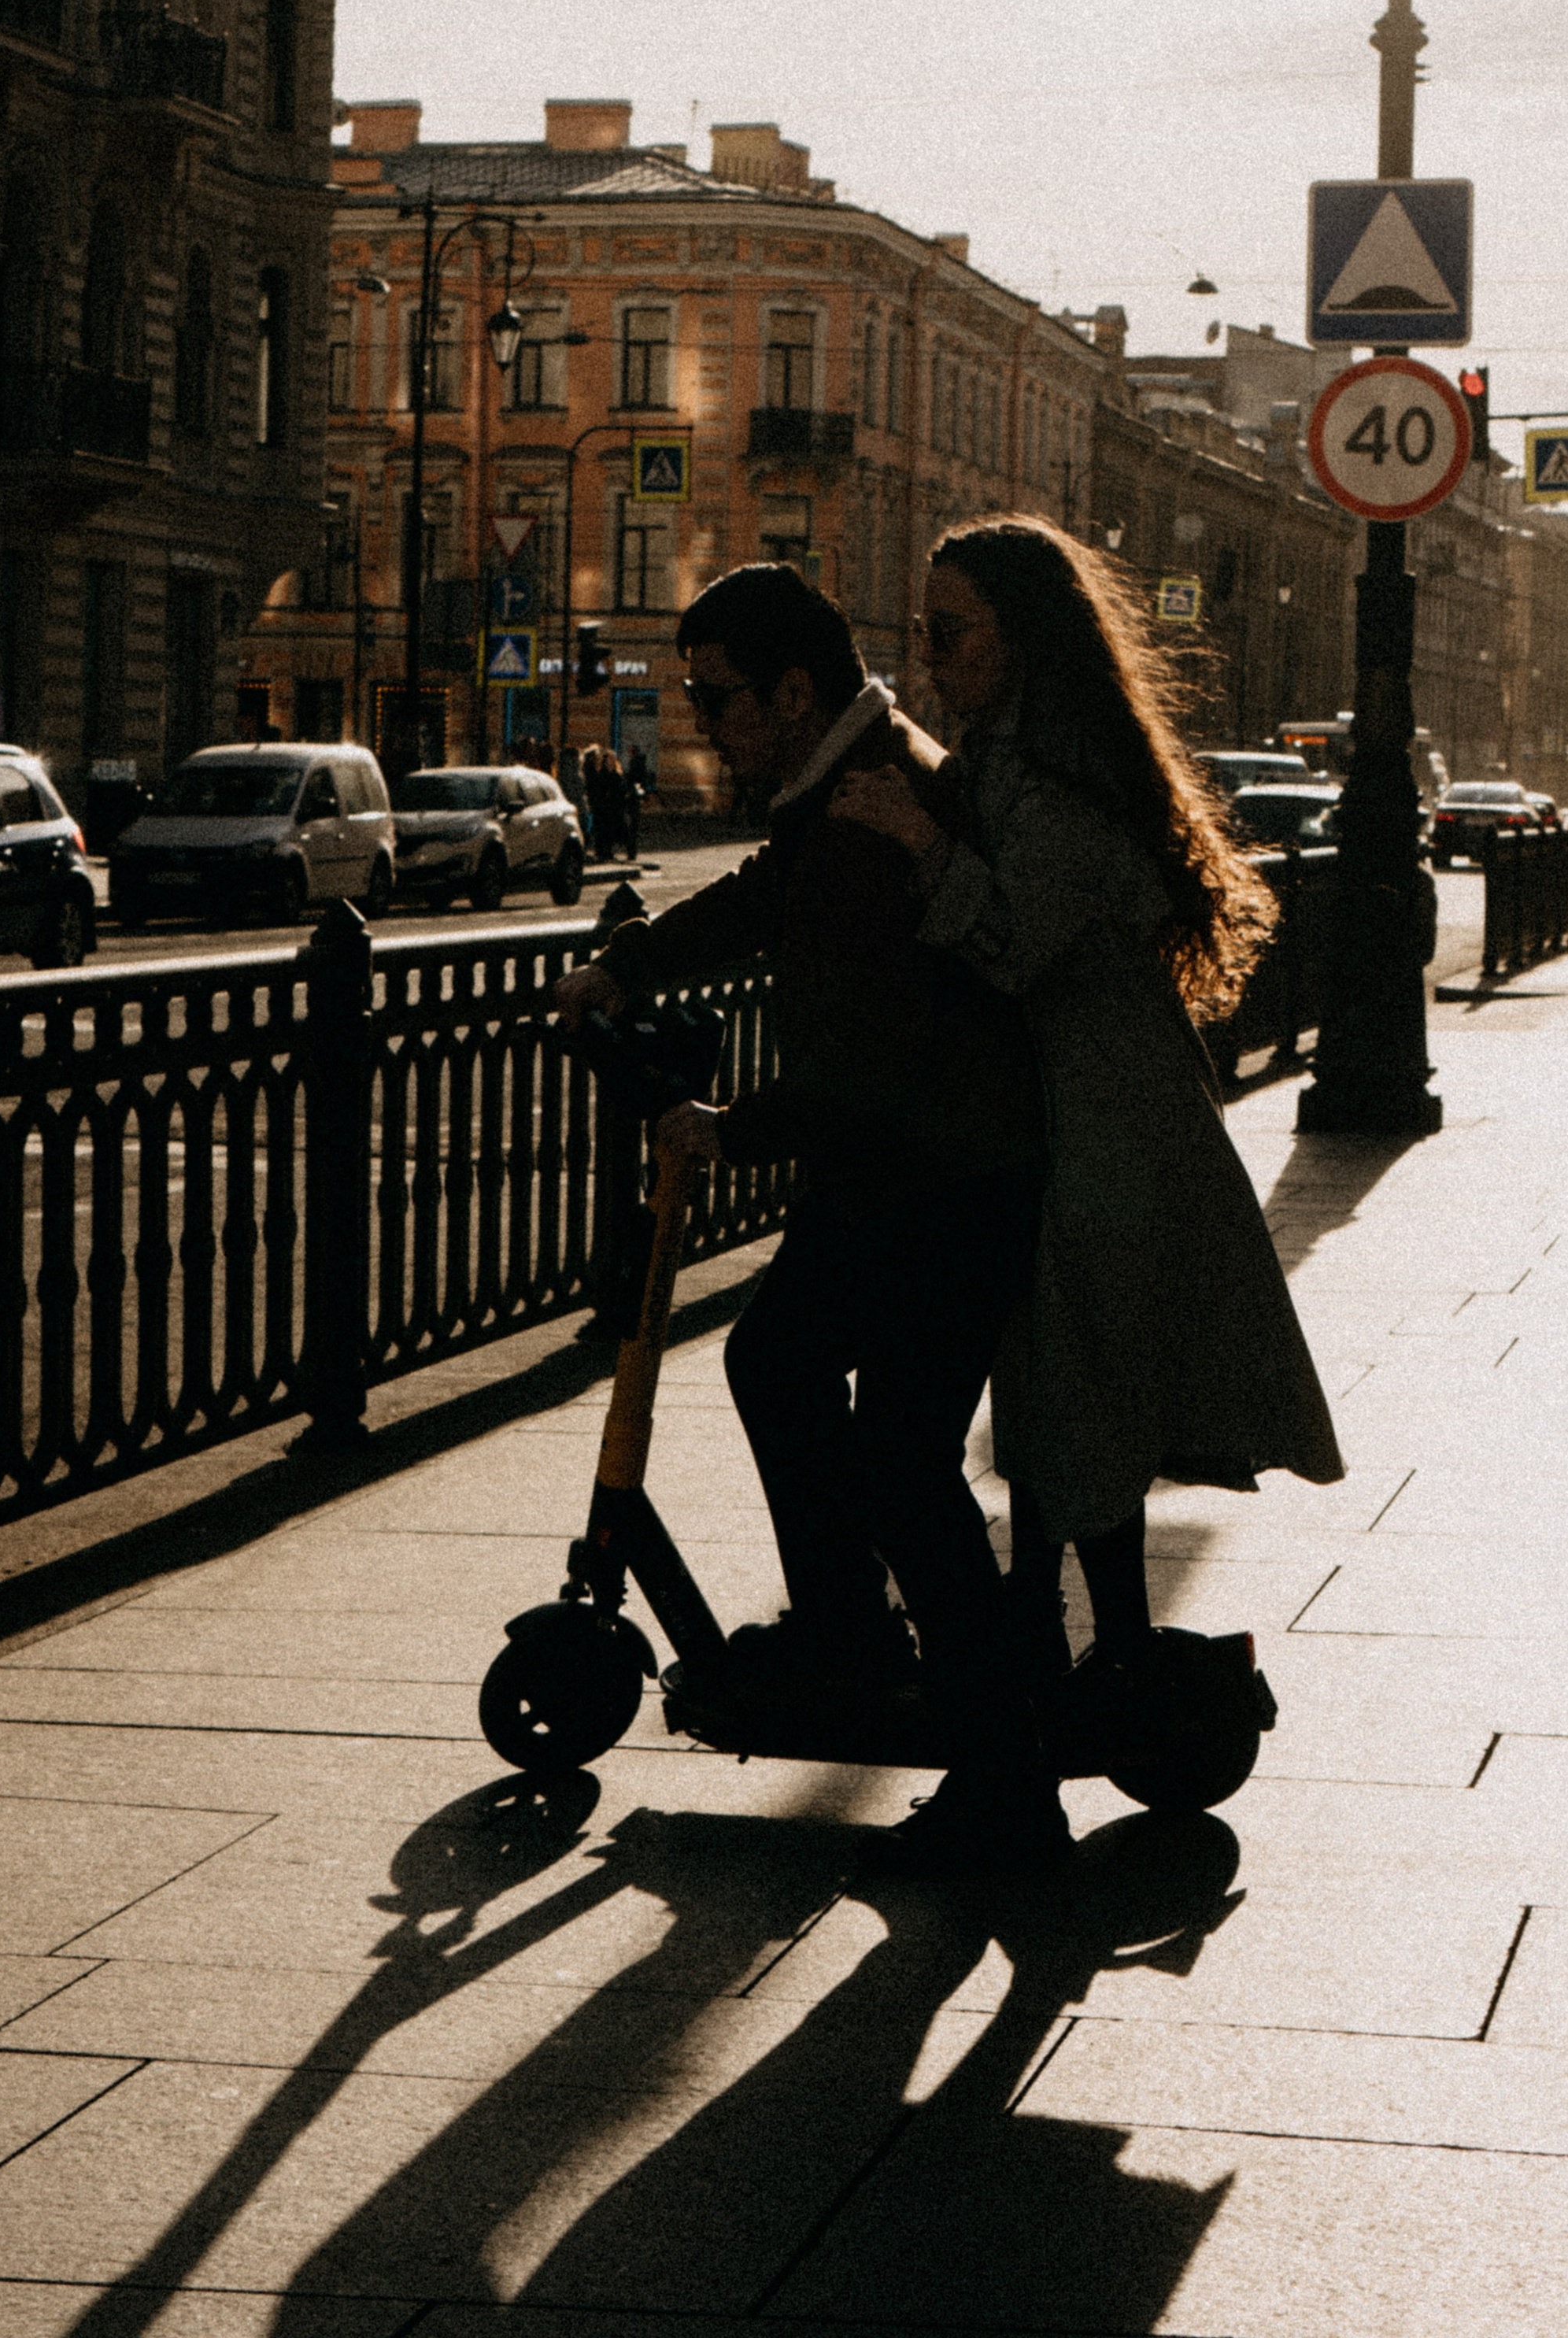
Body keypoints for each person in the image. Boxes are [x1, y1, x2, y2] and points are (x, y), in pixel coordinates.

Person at [553, 563, 1061, 1874]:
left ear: (791, 693)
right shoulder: (842, 783)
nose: (702, 721)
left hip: (942, 1179)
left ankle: (996, 1762)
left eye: (715, 698)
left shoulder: (868, 804)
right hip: (909, 1170)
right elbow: (764, 895)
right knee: (793, 1374)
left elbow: (869, 1059)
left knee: (890, 1451)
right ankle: (861, 1638)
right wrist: (633, 961)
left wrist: (734, 1129)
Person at [829, 516, 1343, 1690]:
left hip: (1105, 1117)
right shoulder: (1011, 751)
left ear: (1026, 636)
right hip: (1061, 1107)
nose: (931, 654)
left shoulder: (1067, 779)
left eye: (952, 632)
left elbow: (1013, 942)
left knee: (1080, 1379)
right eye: (925, 630)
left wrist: (913, 833)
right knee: (1063, 1385)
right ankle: (1093, 1647)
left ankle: (1101, 1656)